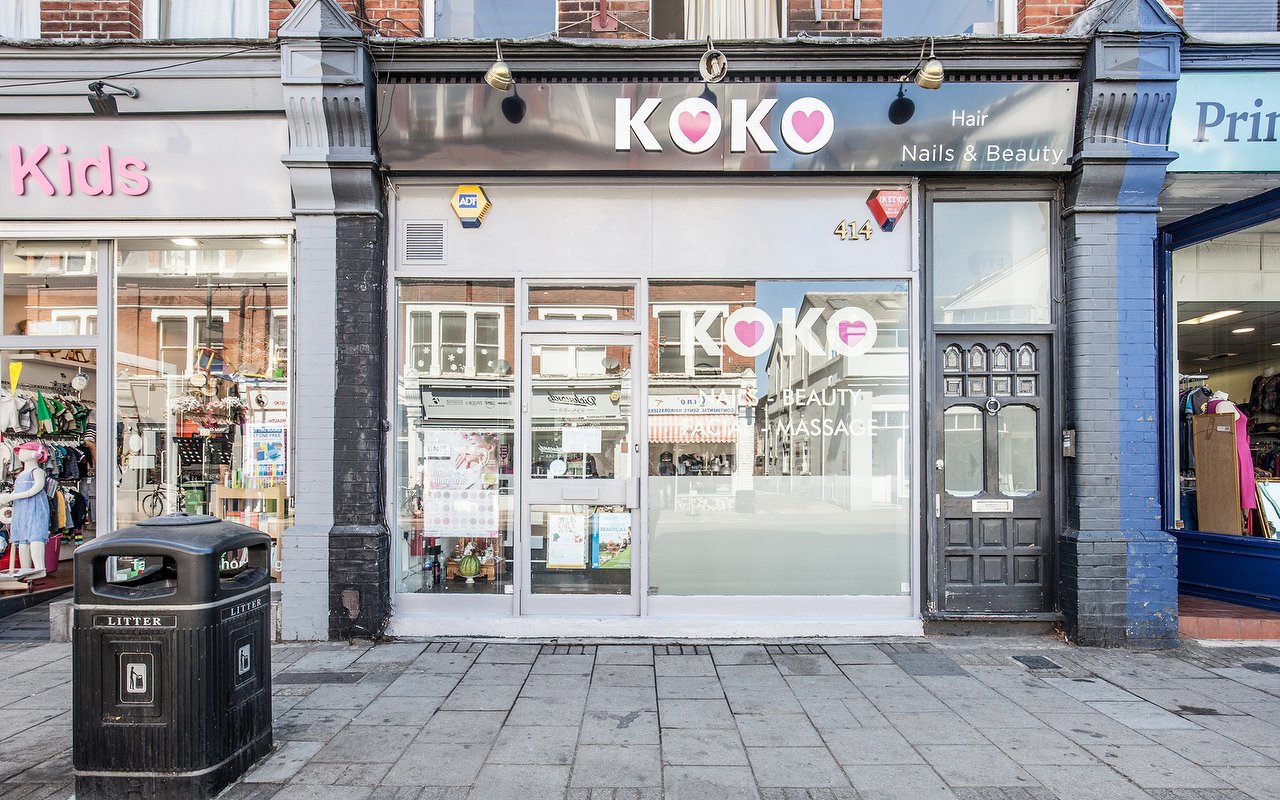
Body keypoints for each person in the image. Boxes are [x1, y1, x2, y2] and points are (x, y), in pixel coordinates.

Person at [0, 442, 50, 579]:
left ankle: (40, 568)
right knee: (22, 540)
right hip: (21, 509)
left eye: (24, 450)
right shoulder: (21, 474)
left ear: (35, 454)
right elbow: (18, 490)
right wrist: (8, 498)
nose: (20, 453)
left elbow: (35, 489)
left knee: (35, 537)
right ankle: (25, 569)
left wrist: (12, 496)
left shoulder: (37, 472)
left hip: (35, 507)